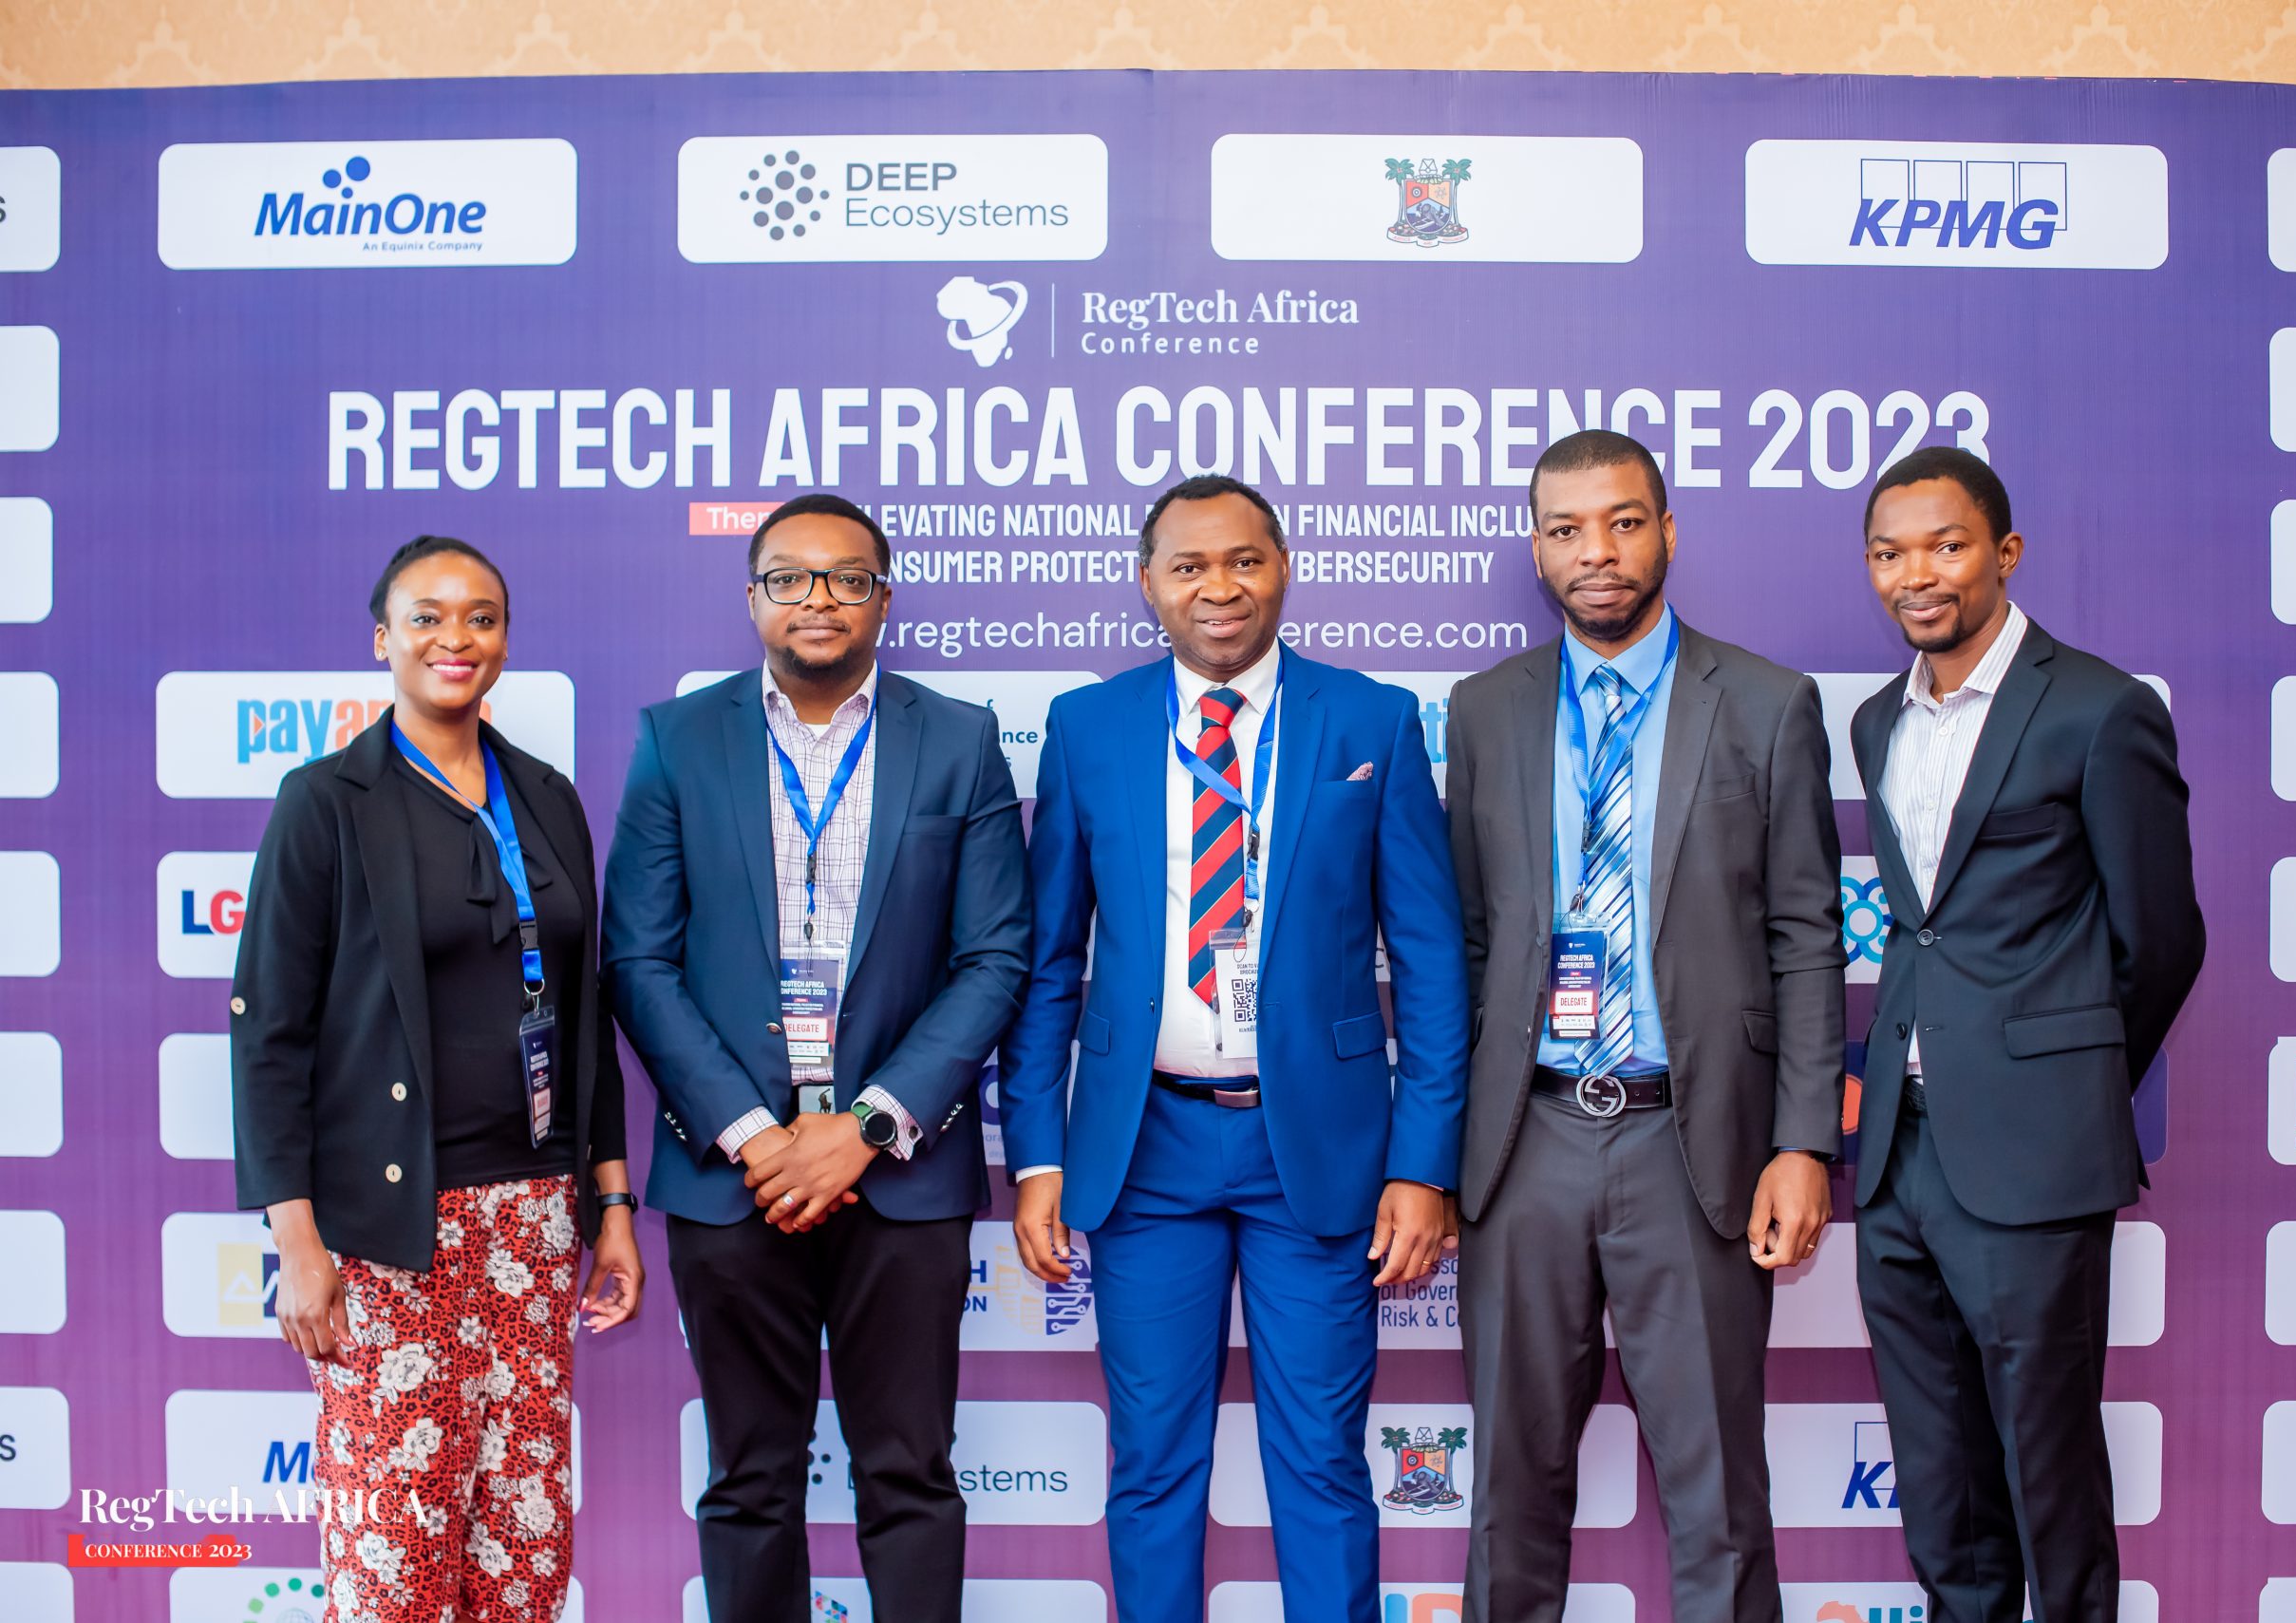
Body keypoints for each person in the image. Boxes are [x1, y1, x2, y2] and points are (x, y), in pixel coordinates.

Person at [999, 474, 1467, 1623]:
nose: (1221, 586)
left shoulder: (1370, 719)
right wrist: (1038, 1154)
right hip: (1143, 1147)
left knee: (1322, 1462)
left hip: (1318, 1148)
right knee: (1153, 1465)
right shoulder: (1088, 726)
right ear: (1148, 583)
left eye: (1245, 559)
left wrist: (1423, 1164)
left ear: (1283, 567)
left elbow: (1429, 960)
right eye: (1190, 565)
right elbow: (1047, 961)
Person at [603, 493, 1029, 1623]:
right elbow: (638, 958)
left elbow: (995, 956)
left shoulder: (959, 738)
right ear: (753, 599)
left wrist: (865, 1126)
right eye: (789, 577)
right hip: (731, 1175)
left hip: (900, 1174)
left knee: (910, 1475)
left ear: (884, 598)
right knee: (749, 1481)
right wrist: (757, 1135)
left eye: (847, 577)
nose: (819, 599)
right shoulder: (676, 739)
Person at [1443, 431, 1843, 1623]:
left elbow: (1806, 935)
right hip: (1525, 1141)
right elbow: (1468, 939)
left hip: (1694, 1140)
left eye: (1622, 521)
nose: (1597, 551)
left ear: (1667, 530)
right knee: (1508, 1490)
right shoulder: (1485, 709)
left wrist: (1802, 1141)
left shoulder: (1765, 702)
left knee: (1717, 1493)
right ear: (1535, 549)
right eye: (1566, 529)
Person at [233, 535, 642, 1623]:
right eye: (426, 616)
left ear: (505, 637)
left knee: (521, 1554)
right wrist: (297, 1242)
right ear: (383, 639)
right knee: (395, 1566)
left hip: (533, 1225)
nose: (455, 637)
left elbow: (584, 1015)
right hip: (388, 1236)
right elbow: (269, 1034)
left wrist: (608, 1204)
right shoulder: (326, 800)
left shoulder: (546, 795)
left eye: (480, 616)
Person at [1849, 446, 2202, 1623]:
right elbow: (1925, 926)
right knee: (1939, 1479)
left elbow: (2161, 939)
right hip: (1898, 1154)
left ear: (2003, 552)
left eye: (1945, 545)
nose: (1916, 574)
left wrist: (2063, 1081)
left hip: (2033, 1157)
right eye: (1889, 552)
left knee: (2048, 1470)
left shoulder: (2100, 709)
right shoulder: (1874, 721)